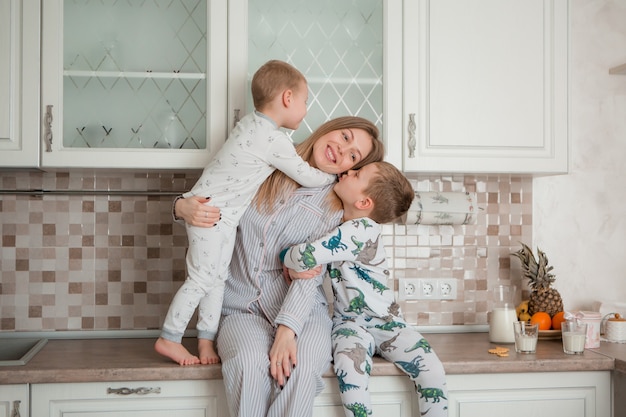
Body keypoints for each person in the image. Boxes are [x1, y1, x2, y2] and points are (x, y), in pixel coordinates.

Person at [174, 116, 385, 417]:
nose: (342, 148)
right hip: (240, 308)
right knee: (247, 365)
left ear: (349, 170)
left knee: (302, 368)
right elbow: (215, 186)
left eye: (353, 155)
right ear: (330, 129)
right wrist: (181, 206)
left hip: (304, 311)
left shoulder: (335, 205)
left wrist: (288, 330)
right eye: (345, 136)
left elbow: (309, 276)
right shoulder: (264, 163)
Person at [155, 60, 336, 366]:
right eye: (305, 102)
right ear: (287, 98)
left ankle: (205, 342)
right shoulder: (273, 139)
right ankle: (169, 338)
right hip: (210, 215)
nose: (306, 111)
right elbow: (306, 174)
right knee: (201, 279)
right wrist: (334, 178)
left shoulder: (250, 125)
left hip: (221, 218)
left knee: (217, 279)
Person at [281, 161, 449, 417]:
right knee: (422, 370)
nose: (348, 171)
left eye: (356, 174)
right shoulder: (342, 226)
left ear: (363, 203)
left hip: (386, 323)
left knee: (425, 370)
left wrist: (285, 256)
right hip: (353, 323)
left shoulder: (360, 230)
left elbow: (303, 256)